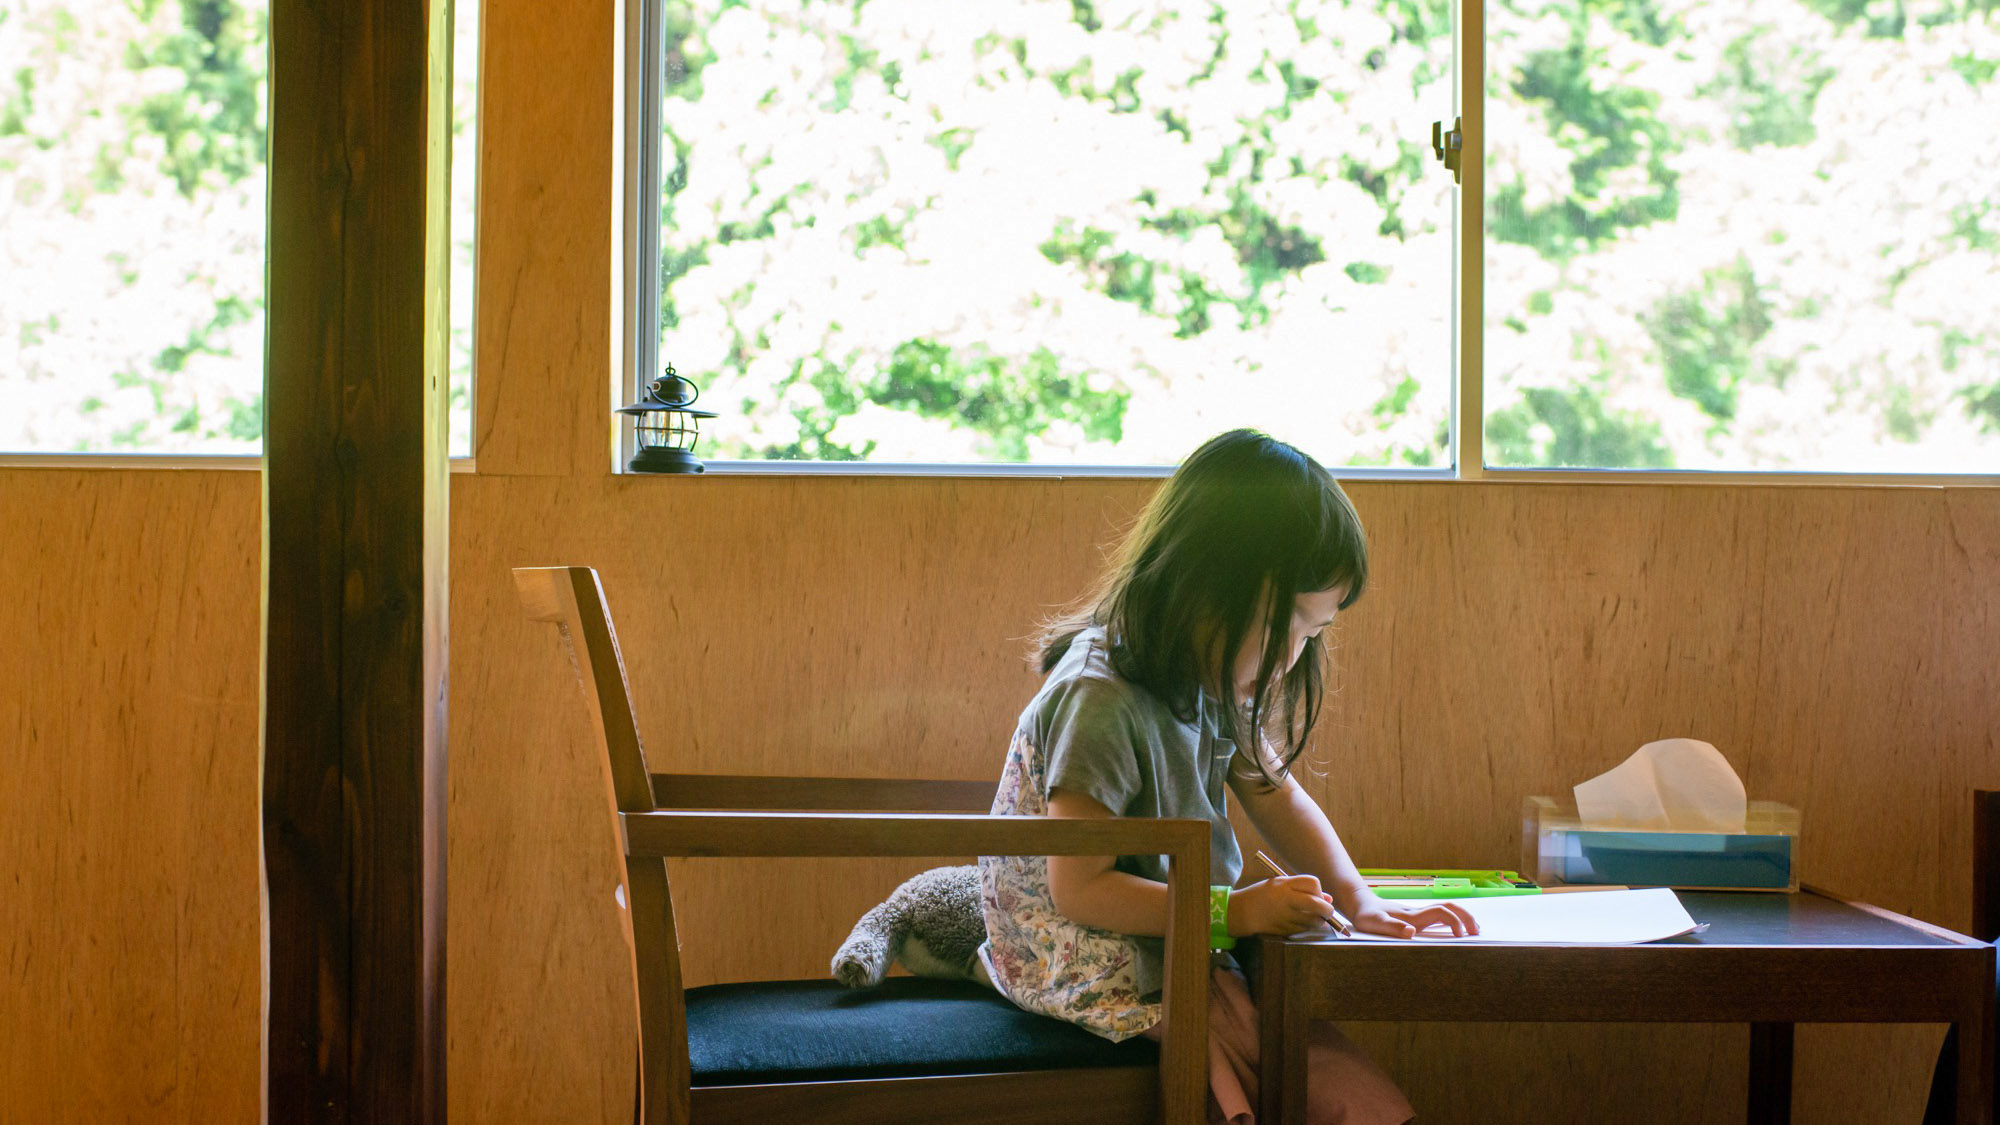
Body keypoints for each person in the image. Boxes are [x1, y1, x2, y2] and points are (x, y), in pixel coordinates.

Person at [978, 428, 1477, 1125]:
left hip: (1179, 934)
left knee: (1346, 1086)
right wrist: (1233, 911)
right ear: (1214, 590)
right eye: (1296, 626)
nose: (1296, 655)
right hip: (1082, 951)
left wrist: (1358, 898)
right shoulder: (1100, 700)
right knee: (1230, 1075)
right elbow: (1079, 888)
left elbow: (1277, 792)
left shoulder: (1209, 672)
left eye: (1314, 633)